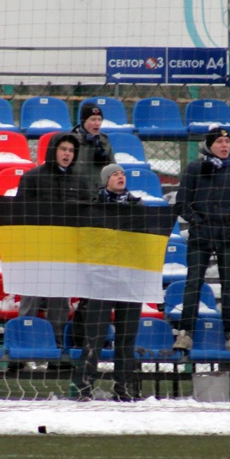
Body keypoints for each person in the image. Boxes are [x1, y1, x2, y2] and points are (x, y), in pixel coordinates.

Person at [174, 125, 230, 352]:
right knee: (193, 283)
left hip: (228, 236)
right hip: (201, 235)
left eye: (227, 142)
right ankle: (185, 334)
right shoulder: (195, 168)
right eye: (219, 142)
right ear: (209, 146)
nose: (224, 145)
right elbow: (182, 203)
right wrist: (197, 221)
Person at [72, 164, 142, 401]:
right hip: (100, 281)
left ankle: (124, 388)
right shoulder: (93, 208)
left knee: (126, 338)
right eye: (115, 174)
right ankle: (84, 388)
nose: (120, 176)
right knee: (94, 337)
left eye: (122, 173)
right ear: (105, 181)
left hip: (130, 280)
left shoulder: (138, 207)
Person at [15, 132, 91, 346]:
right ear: (53, 151)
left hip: (65, 252)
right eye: (63, 149)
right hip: (36, 251)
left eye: (71, 150)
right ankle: (23, 347)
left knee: (60, 303)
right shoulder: (32, 177)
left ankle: (56, 349)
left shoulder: (80, 181)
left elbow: (87, 215)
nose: (67, 154)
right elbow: (20, 213)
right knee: (30, 301)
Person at [72, 104, 116, 190]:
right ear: (84, 121)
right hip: (77, 191)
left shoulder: (104, 141)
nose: (97, 123)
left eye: (99, 119)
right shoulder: (71, 140)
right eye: (93, 119)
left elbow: (113, 168)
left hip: (99, 191)